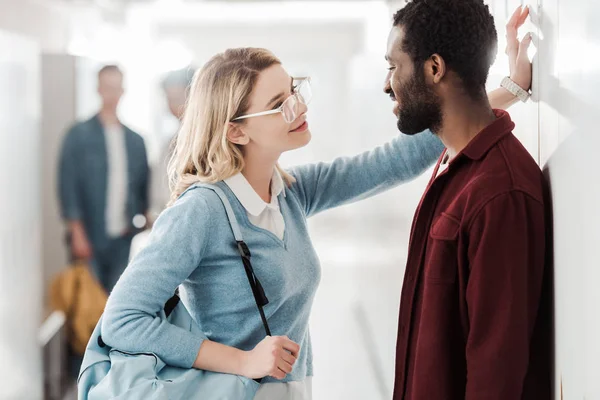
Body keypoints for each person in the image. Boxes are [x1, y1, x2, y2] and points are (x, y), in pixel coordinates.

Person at [99, 13, 532, 399]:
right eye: (278, 105)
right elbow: (123, 320)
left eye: (294, 90)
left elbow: (393, 161)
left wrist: (508, 89)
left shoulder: (290, 191)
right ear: (235, 132)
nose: (299, 106)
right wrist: (242, 360)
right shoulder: (203, 211)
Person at [385, 2, 550, 399]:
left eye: (394, 66)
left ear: (434, 68)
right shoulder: (455, 162)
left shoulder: (500, 194)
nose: (387, 83)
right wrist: (513, 85)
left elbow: (495, 378)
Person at [58, 64, 150, 293]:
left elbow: (142, 191)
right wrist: (77, 232)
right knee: (88, 305)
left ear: (123, 91)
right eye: (107, 87)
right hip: (89, 236)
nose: (112, 93)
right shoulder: (78, 135)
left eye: (116, 87)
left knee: (117, 302)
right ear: (98, 89)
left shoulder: (135, 140)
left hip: (124, 236)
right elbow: (68, 186)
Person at [150, 66, 196, 218]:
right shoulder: (169, 142)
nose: (173, 106)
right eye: (169, 100)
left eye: (177, 99)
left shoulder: (206, 142)